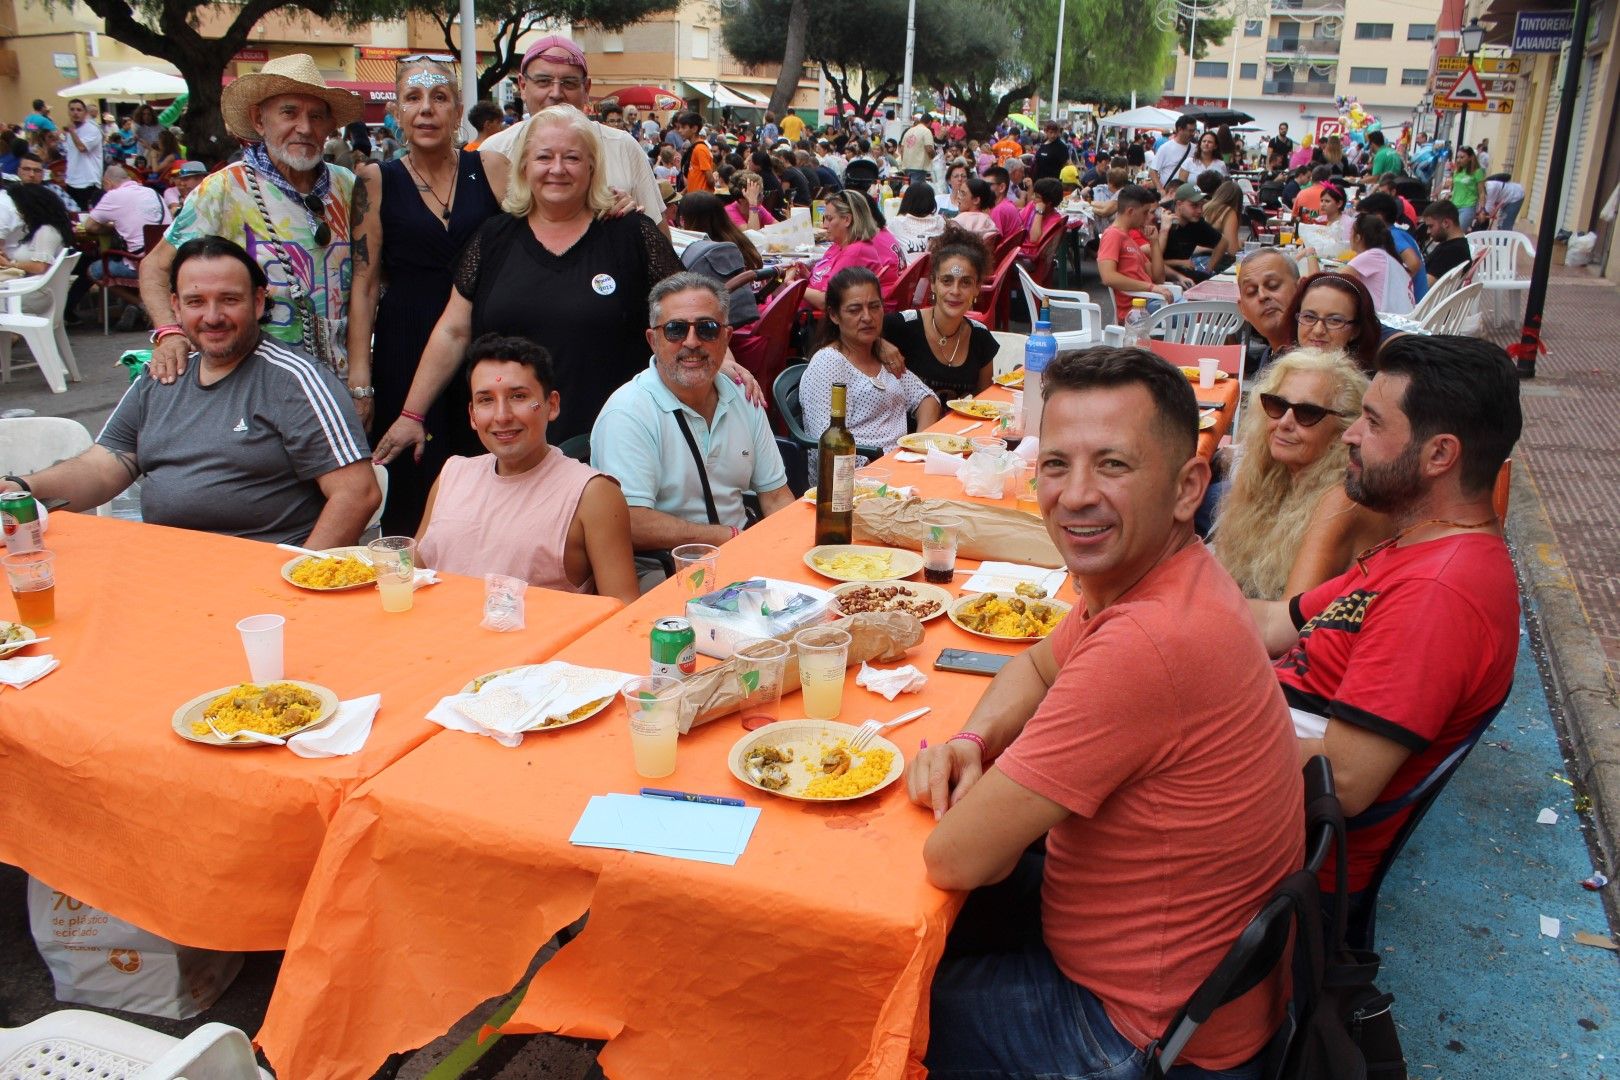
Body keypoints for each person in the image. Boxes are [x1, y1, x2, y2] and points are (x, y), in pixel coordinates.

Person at [912, 346, 1303, 1080]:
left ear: (1189, 488)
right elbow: (1035, 664)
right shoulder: (1169, 578)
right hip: (1187, 986)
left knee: (860, 998)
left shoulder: (1149, 643)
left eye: (1114, 466)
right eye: (1056, 465)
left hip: (1136, 1033)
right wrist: (972, 736)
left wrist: (968, 778)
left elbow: (956, 855)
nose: (1076, 495)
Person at [1249, 334, 1520, 900]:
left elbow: (1342, 781)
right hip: (1257, 783)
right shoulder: (1417, 546)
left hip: (1265, 864)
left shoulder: (1439, 593)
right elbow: (1280, 623)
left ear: (1439, 455)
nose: (1349, 434)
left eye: (1372, 423)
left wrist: (1185, 733)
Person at [0, 237, 377, 544]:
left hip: (260, 579)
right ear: (176, 307)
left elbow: (357, 495)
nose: (212, 317)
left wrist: (296, 584)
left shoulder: (294, 379)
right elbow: (105, 466)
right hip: (167, 567)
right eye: (196, 302)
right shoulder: (163, 372)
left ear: (259, 301)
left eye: (229, 299)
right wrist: (20, 489)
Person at [373, 106, 687, 470]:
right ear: (523, 166)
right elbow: (453, 330)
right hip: (509, 448)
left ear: (591, 167)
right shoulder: (493, 238)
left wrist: (724, 361)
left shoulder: (631, 233)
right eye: (544, 157)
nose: (557, 168)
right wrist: (412, 414)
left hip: (612, 447)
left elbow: (684, 309)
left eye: (571, 157)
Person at [346, 54, 503, 536]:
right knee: (414, 478)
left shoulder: (493, 166)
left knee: (491, 474)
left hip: (484, 340)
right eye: (413, 98)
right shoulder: (375, 181)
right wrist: (360, 379)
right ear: (396, 111)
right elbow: (365, 283)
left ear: (458, 111)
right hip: (406, 345)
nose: (426, 109)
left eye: (439, 98)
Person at [140, 53, 363, 382]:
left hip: (338, 384)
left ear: (329, 127)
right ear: (259, 120)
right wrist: (170, 333)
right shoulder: (224, 190)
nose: (304, 127)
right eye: (289, 112)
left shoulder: (349, 186)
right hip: (253, 386)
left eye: (316, 116)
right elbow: (155, 267)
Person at [591, 273, 793, 581]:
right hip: (665, 575)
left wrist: (789, 551)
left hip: (745, 560)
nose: (692, 342)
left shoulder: (742, 395)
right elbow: (629, 521)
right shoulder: (628, 412)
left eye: (707, 329)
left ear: (726, 338)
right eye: (675, 330)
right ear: (652, 340)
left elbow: (776, 497)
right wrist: (724, 536)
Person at [416, 333, 638, 605]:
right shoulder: (451, 476)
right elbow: (411, 575)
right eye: (486, 400)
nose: (502, 416)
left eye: (518, 396)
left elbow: (623, 611)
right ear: (472, 415)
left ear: (552, 405)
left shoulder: (592, 494)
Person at [1215, 347, 1390, 599]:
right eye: (1277, 405)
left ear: (1344, 427)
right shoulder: (1271, 473)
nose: (1285, 422)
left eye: (1307, 413)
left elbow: (1287, 620)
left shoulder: (1341, 500)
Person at [474, 35, 664, 229]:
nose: (556, 93)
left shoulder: (623, 146)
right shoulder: (493, 151)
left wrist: (634, 222)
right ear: (523, 86)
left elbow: (659, 236)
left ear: (586, 88)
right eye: (543, 81)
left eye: (569, 83)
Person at [802, 267, 942, 460]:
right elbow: (830, 445)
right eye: (855, 310)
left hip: (902, 464)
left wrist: (920, 448)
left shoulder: (882, 355)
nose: (867, 317)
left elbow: (927, 399)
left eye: (875, 306)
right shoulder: (829, 363)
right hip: (857, 475)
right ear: (834, 315)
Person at [883, 225, 997, 404]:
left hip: (955, 430)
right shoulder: (901, 326)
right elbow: (844, 338)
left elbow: (984, 404)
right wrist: (878, 343)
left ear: (977, 288)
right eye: (946, 281)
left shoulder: (981, 337)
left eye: (965, 283)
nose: (955, 291)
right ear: (933, 283)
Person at [66, 164, 170, 329]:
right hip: (167, 259)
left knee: (95, 270)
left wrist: (111, 227)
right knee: (122, 257)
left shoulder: (114, 196)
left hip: (140, 262)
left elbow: (90, 227)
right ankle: (139, 307)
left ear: (107, 183)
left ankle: (142, 305)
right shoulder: (152, 192)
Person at [790, 189, 902, 311]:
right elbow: (829, 281)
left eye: (829, 219)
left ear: (847, 220)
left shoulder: (855, 252)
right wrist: (808, 275)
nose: (824, 225)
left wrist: (792, 285)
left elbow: (827, 301)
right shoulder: (842, 245)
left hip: (809, 320)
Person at [675, 191, 767, 332]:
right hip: (759, 316)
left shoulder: (708, 254)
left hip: (736, 328)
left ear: (684, 219)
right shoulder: (738, 239)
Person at [1096, 184, 1174, 321]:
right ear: (1131, 211)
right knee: (1200, 317)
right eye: (1145, 213)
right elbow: (1108, 276)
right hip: (1136, 309)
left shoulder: (1128, 238)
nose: (1149, 218)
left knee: (1202, 315)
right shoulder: (1113, 235)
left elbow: (1158, 278)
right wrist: (1151, 288)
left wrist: (1154, 243)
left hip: (1149, 302)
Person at [1285, 272, 1383, 373]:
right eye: (1309, 317)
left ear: (1356, 331)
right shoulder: (1279, 369)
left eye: (1334, 320)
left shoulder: (1368, 386)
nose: (1318, 330)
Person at [0, 184, 71, 314]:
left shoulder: (47, 231)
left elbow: (40, 267)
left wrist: (10, 264)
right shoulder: (41, 230)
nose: (18, 211)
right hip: (32, 288)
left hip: (35, 294)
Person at [1354, 191, 1426, 303]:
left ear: (1378, 217)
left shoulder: (1393, 236)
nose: (1359, 221)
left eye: (1363, 217)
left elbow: (1414, 263)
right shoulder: (1399, 233)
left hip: (1409, 305)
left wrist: (1394, 288)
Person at [1236, 248, 1301, 370]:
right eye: (1251, 291)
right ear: (1242, 309)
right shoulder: (1269, 356)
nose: (1262, 296)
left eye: (1273, 285)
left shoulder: (1316, 360)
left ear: (1299, 289)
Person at [1342, 214, 1413, 316]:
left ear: (1357, 237)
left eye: (1350, 233)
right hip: (1401, 320)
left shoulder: (1372, 256)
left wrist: (1311, 255)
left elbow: (1330, 281)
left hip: (1384, 323)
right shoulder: (1386, 256)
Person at [1161, 182, 1230, 281]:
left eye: (1201, 206)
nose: (1199, 211)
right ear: (1179, 204)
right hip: (1160, 278)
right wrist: (1179, 262)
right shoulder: (1162, 220)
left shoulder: (1196, 222)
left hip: (1184, 273)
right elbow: (1147, 262)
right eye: (1194, 205)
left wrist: (1208, 270)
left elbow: (1223, 242)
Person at [61, 98, 103, 210]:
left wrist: (72, 132)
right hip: (72, 180)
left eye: (79, 110)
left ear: (85, 113)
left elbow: (81, 147)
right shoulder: (71, 131)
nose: (75, 112)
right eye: (72, 109)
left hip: (88, 181)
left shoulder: (92, 129)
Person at [885, 181, 945, 257]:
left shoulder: (897, 222)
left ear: (907, 201)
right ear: (932, 202)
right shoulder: (940, 222)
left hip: (910, 268)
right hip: (936, 268)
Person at [1421, 200, 1473, 286]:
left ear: (1446, 223)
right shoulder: (1459, 246)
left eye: (1431, 226)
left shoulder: (1450, 252)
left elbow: (1424, 286)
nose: (1428, 231)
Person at [16, 152, 80, 213]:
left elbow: (75, 212)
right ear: (19, 172)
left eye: (37, 171)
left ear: (43, 174)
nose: (32, 174)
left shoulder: (54, 190)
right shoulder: (10, 194)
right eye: (27, 169)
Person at [1018, 176, 1066, 258]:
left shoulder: (1055, 220)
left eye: (1037, 197)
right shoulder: (1032, 206)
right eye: (1034, 194)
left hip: (1030, 257)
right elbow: (1018, 224)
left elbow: (1034, 239)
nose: (1033, 198)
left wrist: (1039, 212)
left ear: (1049, 203)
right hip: (1020, 250)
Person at [1151, 114, 1198, 189]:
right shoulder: (1165, 148)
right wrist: (1160, 190)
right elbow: (1153, 171)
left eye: (1194, 131)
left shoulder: (1196, 149)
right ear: (1180, 129)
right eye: (1190, 131)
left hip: (1188, 194)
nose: (1193, 134)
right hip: (1169, 193)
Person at [949, 177, 1000, 243]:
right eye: (959, 192)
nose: (958, 196)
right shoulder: (988, 220)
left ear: (976, 200)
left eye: (962, 193)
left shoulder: (958, 222)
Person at [1447, 147, 1486, 230]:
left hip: (1468, 206)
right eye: (1457, 157)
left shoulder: (1477, 172)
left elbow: (1482, 192)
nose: (1458, 160)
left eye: (1462, 157)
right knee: (1449, 232)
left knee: (1458, 232)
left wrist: (1482, 209)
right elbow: (1455, 188)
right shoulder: (1457, 171)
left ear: (1470, 158)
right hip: (1454, 205)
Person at [676, 111, 714, 193]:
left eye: (683, 127)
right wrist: (683, 192)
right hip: (695, 197)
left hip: (701, 200)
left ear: (694, 129)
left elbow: (710, 179)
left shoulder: (700, 148)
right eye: (679, 128)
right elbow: (696, 177)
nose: (680, 130)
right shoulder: (694, 148)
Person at [982, 165, 1023, 239]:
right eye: (982, 185)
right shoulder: (1006, 204)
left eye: (987, 185)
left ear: (1001, 188)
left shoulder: (999, 210)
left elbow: (991, 242)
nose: (983, 189)